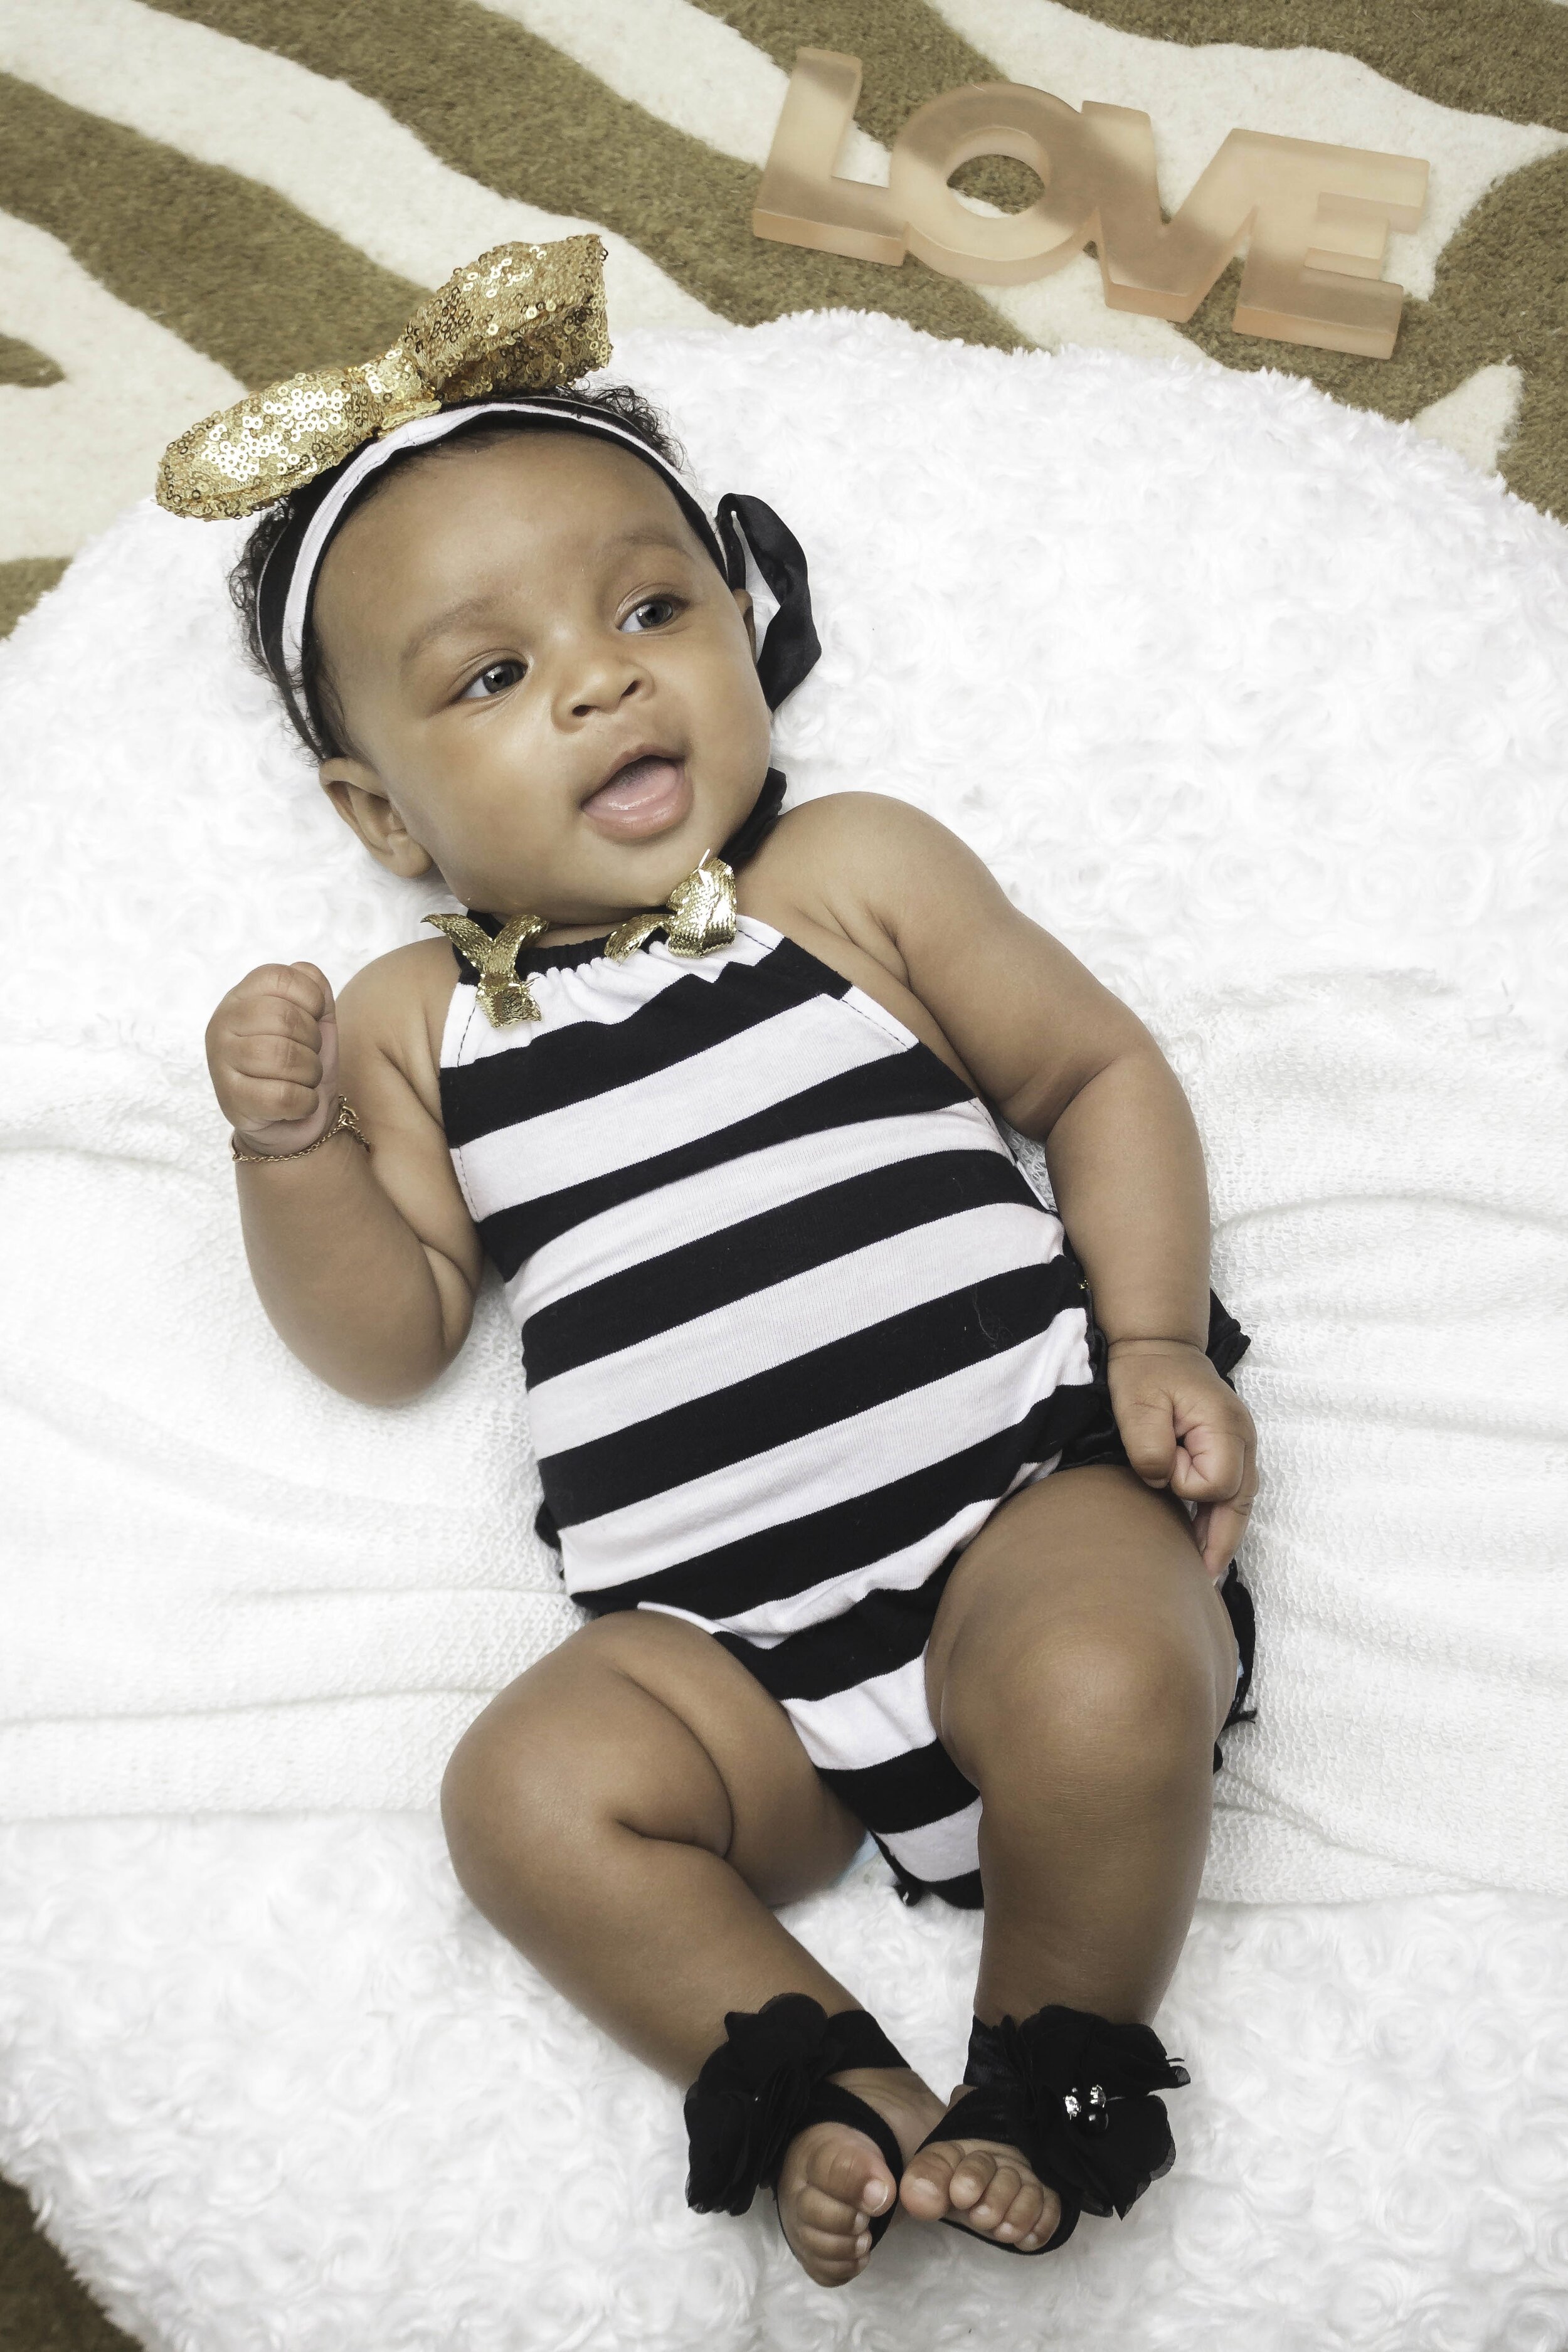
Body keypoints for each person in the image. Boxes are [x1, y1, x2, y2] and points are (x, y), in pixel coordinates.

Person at [177, 236, 1259, 2291]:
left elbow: (1095, 1074)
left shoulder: (848, 878)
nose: (599, 680)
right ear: (382, 817)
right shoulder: (416, 1019)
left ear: (743, 621)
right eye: (489, 678)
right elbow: (389, 1337)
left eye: (649, 609)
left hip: (1006, 1511)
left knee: (1112, 1674)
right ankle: (821, 2089)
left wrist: (1147, 1338)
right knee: (521, 1793)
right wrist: (292, 1151)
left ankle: (1048, 2070)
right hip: (725, 1660)